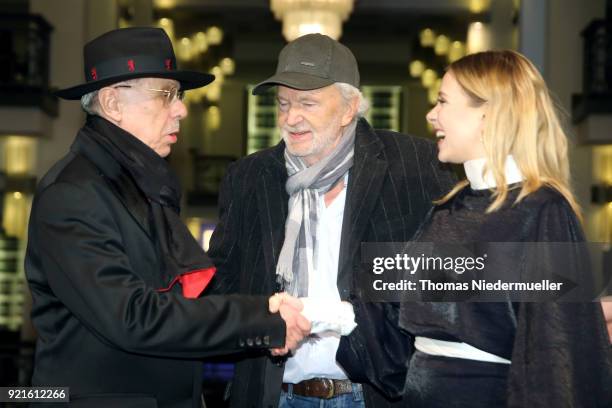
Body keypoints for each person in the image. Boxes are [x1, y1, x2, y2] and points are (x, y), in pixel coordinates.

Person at [25, 27, 310, 408]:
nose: (181, 108)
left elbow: (184, 301)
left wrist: (274, 311)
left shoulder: (141, 183)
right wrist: (263, 320)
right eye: (166, 95)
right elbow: (133, 317)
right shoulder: (73, 193)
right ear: (112, 103)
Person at [338, 50, 612, 407]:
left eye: (443, 101)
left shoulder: (542, 210)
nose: (431, 114)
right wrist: (317, 314)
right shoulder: (450, 206)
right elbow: (396, 299)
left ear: (488, 114)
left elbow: (555, 352)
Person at [207, 33, 455, 407]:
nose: (291, 118)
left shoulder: (415, 166)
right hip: (274, 395)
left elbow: (447, 279)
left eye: (307, 102)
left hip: (376, 394)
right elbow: (221, 284)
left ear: (348, 107)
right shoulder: (249, 177)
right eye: (283, 103)